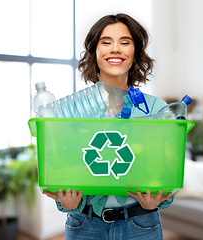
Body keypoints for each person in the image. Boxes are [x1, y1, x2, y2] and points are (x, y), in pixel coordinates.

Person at [43, 13, 174, 240]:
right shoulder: (71, 112)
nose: (115, 49)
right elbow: (63, 166)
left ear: (136, 53)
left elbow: (167, 170)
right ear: (95, 52)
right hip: (84, 224)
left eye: (125, 42)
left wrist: (161, 197)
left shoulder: (156, 110)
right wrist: (67, 202)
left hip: (140, 224)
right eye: (106, 42)